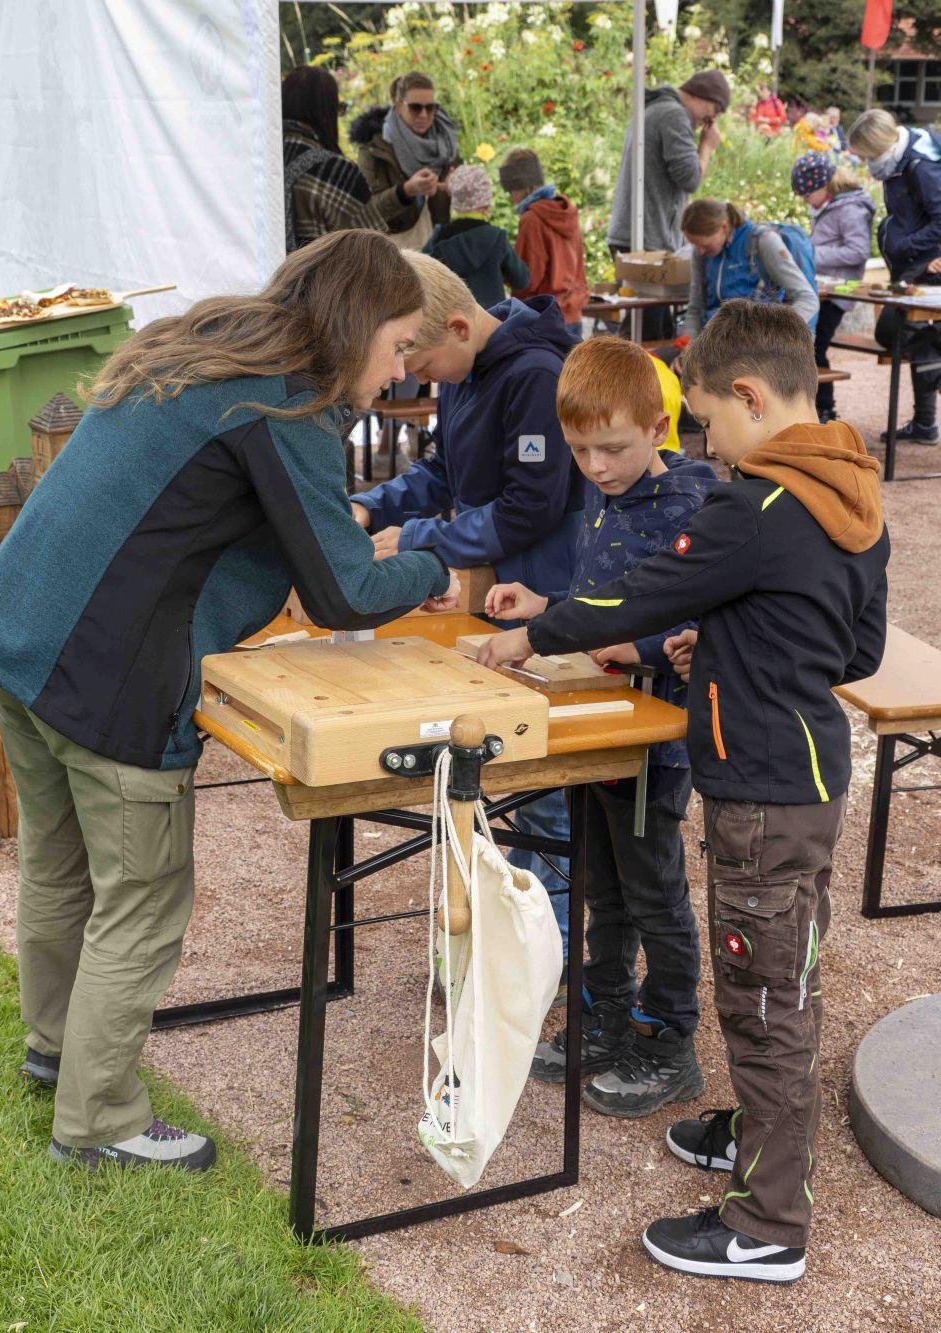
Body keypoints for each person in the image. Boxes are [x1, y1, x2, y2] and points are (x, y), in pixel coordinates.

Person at [0, 231, 459, 1173]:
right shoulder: (285, 404)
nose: (396, 373)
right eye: (395, 346)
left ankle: (57, 1049)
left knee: (62, 872)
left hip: (17, 634)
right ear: (354, 327)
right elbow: (344, 594)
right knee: (143, 897)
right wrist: (437, 566)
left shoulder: (212, 342)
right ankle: (97, 1119)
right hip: (109, 671)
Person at [477, 298, 889, 1284]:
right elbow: (854, 646)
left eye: (708, 417)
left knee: (762, 999)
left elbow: (642, 594)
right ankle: (750, 1132)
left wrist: (535, 633)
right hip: (806, 773)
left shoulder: (757, 505)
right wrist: (744, 636)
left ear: (748, 395)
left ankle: (766, 1224)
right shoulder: (853, 494)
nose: (708, 439)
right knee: (782, 971)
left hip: (757, 784)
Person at [487, 337, 714, 1113]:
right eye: (580, 450)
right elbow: (601, 602)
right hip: (593, 731)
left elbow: (694, 619)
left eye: (612, 448)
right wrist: (546, 609)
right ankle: (607, 1012)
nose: (596, 466)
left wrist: (642, 643)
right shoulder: (605, 495)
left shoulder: (689, 506)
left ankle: (668, 1035)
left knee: (654, 888)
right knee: (601, 885)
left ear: (659, 428)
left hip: (652, 743)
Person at [349, 251, 585, 969]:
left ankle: (551, 951)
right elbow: (442, 472)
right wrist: (372, 503)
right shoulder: (466, 371)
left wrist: (419, 537)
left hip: (553, 593)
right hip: (501, 598)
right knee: (512, 773)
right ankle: (521, 924)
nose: (411, 376)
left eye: (415, 358)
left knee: (544, 787)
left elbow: (529, 507)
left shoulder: (536, 376)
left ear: (456, 325)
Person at [607, 70, 729, 339]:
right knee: (646, 334)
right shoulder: (674, 115)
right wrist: (706, 147)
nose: (711, 120)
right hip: (648, 236)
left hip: (635, 231)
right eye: (715, 110)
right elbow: (689, 177)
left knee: (653, 328)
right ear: (701, 97)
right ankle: (615, 379)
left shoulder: (654, 109)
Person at [848, 107, 941, 444]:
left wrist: (905, 245)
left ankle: (928, 414)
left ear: (878, 145)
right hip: (913, 264)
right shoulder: (895, 162)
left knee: (895, 330)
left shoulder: (920, 165)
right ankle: (926, 423)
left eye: (865, 153)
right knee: (912, 337)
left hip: (926, 265)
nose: (864, 161)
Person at [791, 153, 874, 422]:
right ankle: (814, 406)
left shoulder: (850, 208)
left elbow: (858, 251)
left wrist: (810, 254)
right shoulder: (826, 205)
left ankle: (824, 408)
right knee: (808, 345)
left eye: (806, 194)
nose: (804, 200)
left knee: (815, 346)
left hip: (838, 294)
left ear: (824, 185)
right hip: (821, 287)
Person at [678, 199, 819, 343]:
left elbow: (808, 299)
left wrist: (773, 334)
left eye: (705, 245)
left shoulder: (762, 241)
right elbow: (696, 306)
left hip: (755, 347)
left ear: (724, 227)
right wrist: (688, 344)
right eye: (695, 245)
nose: (700, 252)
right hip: (714, 344)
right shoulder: (701, 254)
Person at [281, 66, 388, 251]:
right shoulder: (335, 171)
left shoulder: (255, 163)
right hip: (321, 279)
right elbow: (378, 250)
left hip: (260, 279)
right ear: (327, 111)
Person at [349, 71, 460, 249]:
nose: (424, 115)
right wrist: (405, 191)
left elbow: (463, 198)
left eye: (430, 107)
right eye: (415, 107)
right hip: (394, 248)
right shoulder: (374, 146)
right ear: (399, 106)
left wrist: (458, 185)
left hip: (439, 244)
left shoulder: (446, 140)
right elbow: (364, 214)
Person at [498, 148, 589, 337]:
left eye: (511, 190)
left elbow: (528, 279)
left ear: (521, 186)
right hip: (573, 314)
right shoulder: (567, 212)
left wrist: (506, 272)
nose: (509, 196)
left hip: (544, 316)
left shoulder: (532, 219)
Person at [421, 163, 530, 309]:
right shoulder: (496, 237)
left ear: (454, 201)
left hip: (455, 324)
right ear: (486, 203)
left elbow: (421, 273)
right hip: (492, 321)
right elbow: (521, 280)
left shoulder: (440, 236)